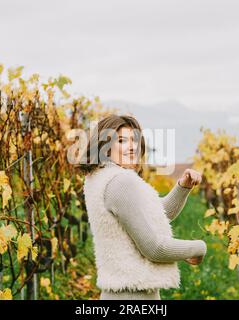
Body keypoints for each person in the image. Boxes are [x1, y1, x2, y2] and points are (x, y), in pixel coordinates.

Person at [77, 114, 207, 300]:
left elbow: (154, 214)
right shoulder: (120, 182)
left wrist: (183, 186)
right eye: (121, 141)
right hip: (134, 296)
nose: (132, 147)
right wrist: (198, 247)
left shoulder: (98, 178)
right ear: (105, 147)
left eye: (135, 140)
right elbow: (154, 248)